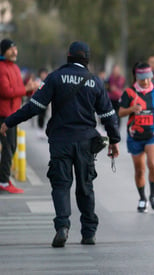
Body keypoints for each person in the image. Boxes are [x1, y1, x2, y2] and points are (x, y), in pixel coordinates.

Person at [0, 41, 121, 248]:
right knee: (85, 186)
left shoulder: (55, 78)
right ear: (87, 59)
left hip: (61, 142)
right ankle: (89, 232)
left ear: (68, 56)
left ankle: (62, 227)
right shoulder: (95, 82)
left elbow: (35, 107)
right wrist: (114, 140)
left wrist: (8, 122)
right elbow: (108, 115)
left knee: (61, 185)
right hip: (85, 142)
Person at [118, 62, 154, 213]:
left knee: (152, 163)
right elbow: (120, 113)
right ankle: (142, 198)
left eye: (148, 78)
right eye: (142, 79)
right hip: (135, 135)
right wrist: (132, 109)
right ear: (136, 77)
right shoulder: (129, 93)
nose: (145, 81)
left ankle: (153, 195)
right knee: (139, 170)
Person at [0, 38, 38, 194]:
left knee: (12, 147)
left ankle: (3, 178)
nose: (15, 51)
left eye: (15, 48)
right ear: (3, 51)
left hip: (14, 115)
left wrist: (30, 89)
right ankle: (3, 181)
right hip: (4, 116)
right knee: (8, 148)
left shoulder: (14, 68)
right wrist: (25, 88)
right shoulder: (1, 68)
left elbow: (19, 89)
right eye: (11, 49)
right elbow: (6, 92)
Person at [36, 67, 49, 138]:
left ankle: (42, 130)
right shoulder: (38, 81)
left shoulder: (48, 81)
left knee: (44, 116)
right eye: (43, 74)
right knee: (40, 116)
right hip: (38, 101)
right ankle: (39, 130)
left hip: (45, 102)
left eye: (45, 74)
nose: (44, 75)